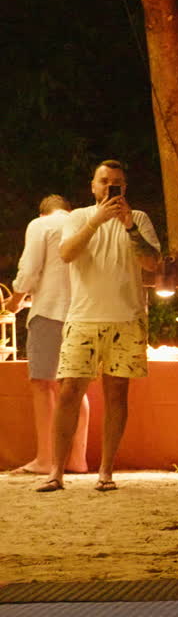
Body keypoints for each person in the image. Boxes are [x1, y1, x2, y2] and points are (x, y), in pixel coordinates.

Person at [37, 161, 161, 492]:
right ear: (93, 186)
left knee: (117, 394)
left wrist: (128, 226)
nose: (109, 187)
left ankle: (106, 471)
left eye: (116, 182)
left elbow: (152, 263)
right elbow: (66, 253)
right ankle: (56, 472)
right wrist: (96, 221)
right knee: (69, 392)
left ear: (125, 187)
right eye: (104, 181)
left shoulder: (139, 218)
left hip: (126, 318)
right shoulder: (78, 216)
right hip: (83, 317)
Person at [5, 195, 90, 477]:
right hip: (83, 312)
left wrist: (14, 301)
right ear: (68, 209)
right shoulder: (84, 224)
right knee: (73, 386)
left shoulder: (41, 225)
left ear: (42, 213)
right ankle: (77, 458)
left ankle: (46, 458)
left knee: (42, 384)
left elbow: (29, 269)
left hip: (50, 313)